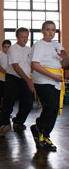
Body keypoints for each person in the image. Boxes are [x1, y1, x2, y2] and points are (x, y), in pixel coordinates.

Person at [30, 21, 69, 151]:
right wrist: (52, 76)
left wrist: (66, 58)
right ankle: (38, 127)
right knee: (50, 105)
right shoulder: (38, 45)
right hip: (43, 80)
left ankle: (45, 135)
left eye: (53, 30)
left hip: (56, 81)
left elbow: (64, 64)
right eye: (48, 29)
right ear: (42, 31)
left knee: (55, 108)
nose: (50, 32)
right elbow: (35, 65)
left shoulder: (57, 45)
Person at [0, 27, 34, 136]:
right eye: (22, 37)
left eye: (26, 37)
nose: (25, 39)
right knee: (8, 101)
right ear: (17, 37)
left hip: (25, 78)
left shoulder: (29, 50)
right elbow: (16, 66)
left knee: (28, 101)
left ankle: (18, 121)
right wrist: (28, 81)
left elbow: (33, 64)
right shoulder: (13, 49)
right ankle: (4, 123)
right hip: (13, 78)